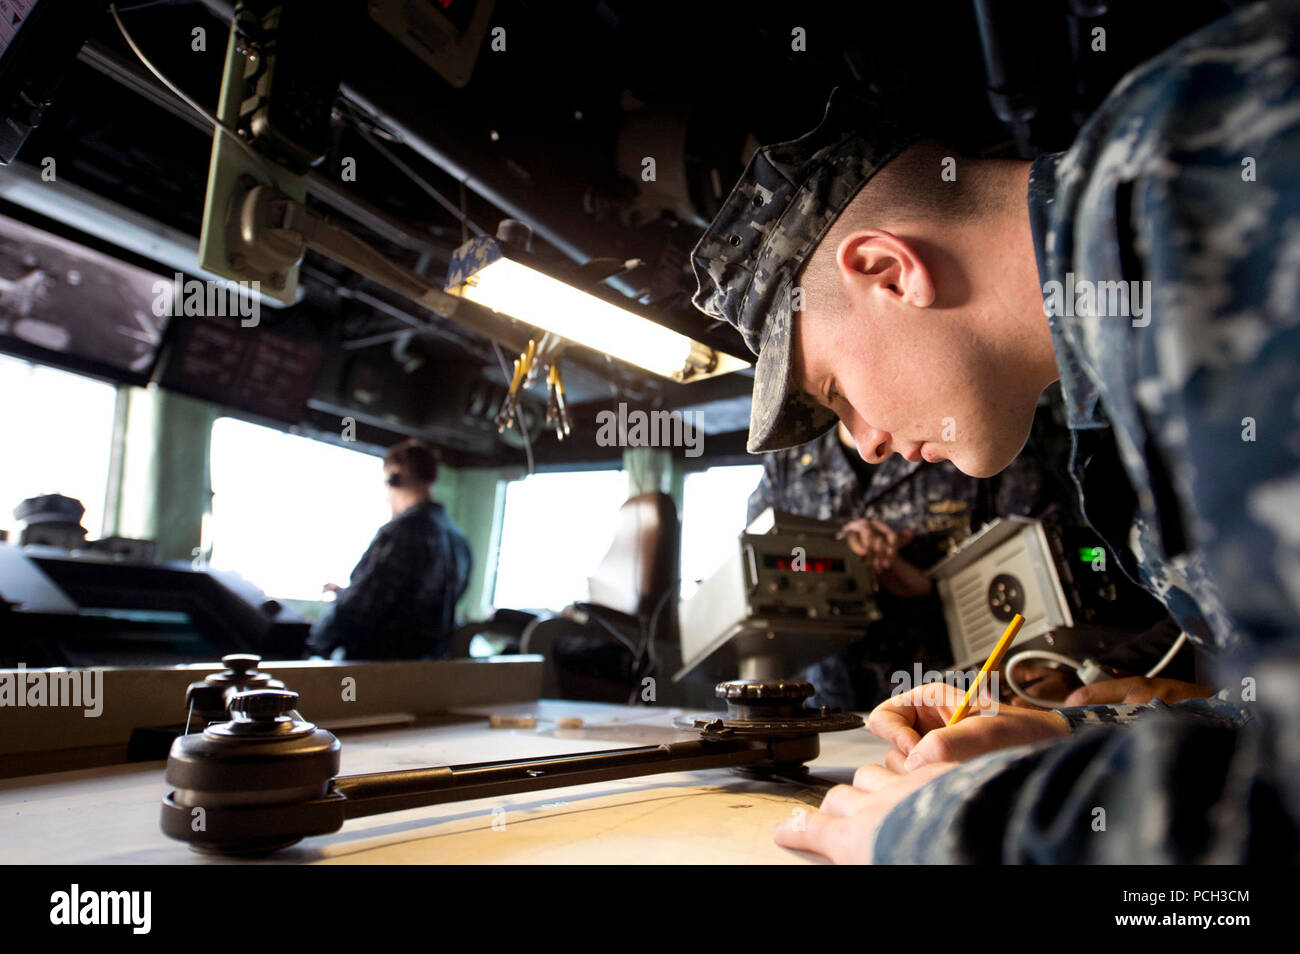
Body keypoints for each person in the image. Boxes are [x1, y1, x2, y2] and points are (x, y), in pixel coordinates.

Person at [688, 0, 1300, 863]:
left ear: (888, 272)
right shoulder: (1125, 309)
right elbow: (1270, 723)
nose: (859, 442)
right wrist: (1061, 733)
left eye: (835, 394)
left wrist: (943, 830)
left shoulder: (1187, 179)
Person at [307, 438, 472, 661]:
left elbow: (361, 608)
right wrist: (344, 593)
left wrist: (314, 645)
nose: (387, 497)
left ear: (396, 475)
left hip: (376, 669)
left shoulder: (403, 532)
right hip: (425, 672)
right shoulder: (458, 540)